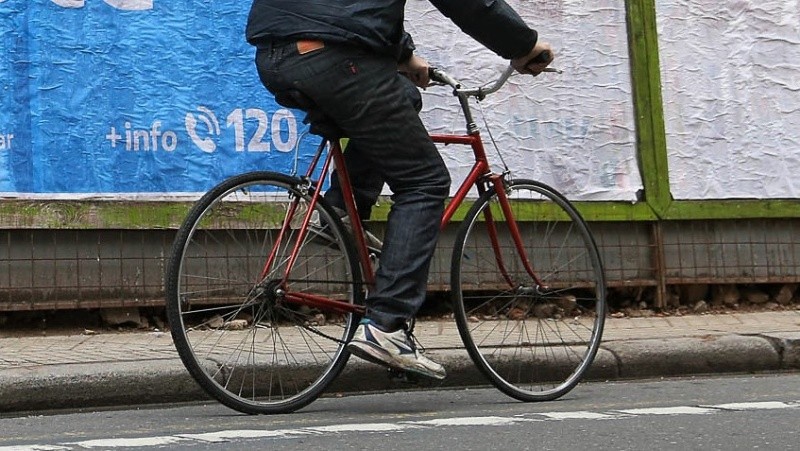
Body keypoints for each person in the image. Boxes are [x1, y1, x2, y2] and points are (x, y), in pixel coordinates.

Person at [246, 0, 554, 380]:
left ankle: (341, 213)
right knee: (425, 182)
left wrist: (404, 56)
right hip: (337, 56)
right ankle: (386, 325)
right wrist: (524, 46)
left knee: (403, 100)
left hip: (276, 55)